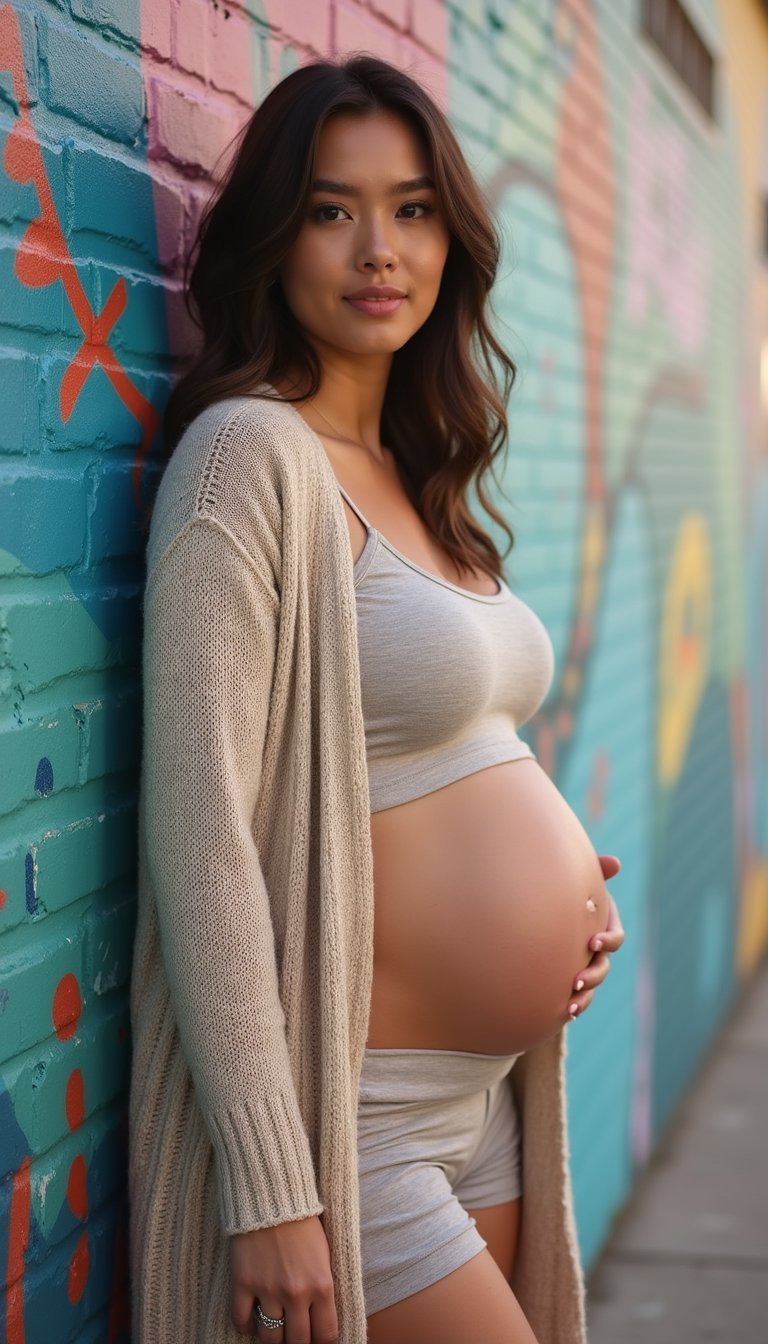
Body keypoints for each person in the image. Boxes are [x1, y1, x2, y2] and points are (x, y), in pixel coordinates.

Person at [129, 54, 625, 1344]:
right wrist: (271, 1185)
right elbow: (201, 830)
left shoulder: (420, 468)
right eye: (330, 208)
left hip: (489, 1108)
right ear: (276, 238)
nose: (376, 249)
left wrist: (577, 889)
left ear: (449, 239)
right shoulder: (250, 461)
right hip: (354, 1122)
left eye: (410, 209)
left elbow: (458, 743)